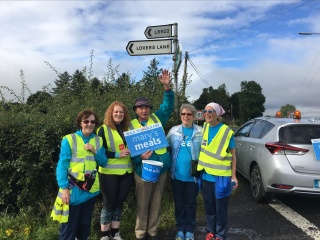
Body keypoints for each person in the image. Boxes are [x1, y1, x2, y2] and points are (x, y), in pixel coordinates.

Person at [129, 69, 174, 240]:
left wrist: (167, 87)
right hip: (142, 171)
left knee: (156, 202)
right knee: (142, 204)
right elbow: (128, 151)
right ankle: (140, 234)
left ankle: (152, 232)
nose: (144, 110)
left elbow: (168, 105)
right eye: (141, 107)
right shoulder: (131, 125)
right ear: (136, 110)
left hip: (161, 169)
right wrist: (138, 158)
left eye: (146, 107)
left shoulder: (157, 118)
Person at [51, 109, 108, 240]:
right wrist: (64, 188)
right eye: (86, 121)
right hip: (73, 189)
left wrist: (95, 151)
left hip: (90, 189)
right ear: (80, 123)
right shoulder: (69, 139)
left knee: (84, 224)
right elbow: (62, 166)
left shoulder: (99, 141)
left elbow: (104, 162)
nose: (89, 124)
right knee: (69, 225)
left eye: (92, 121)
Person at [197, 102, 238, 240]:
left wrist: (233, 176)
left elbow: (233, 156)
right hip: (206, 177)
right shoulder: (204, 127)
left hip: (221, 177)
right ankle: (211, 231)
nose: (206, 114)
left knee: (221, 209)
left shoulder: (227, 132)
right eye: (205, 111)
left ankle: (220, 234)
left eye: (210, 111)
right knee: (209, 208)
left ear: (217, 114)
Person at [97, 101, 133, 240]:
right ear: (111, 113)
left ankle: (115, 233)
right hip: (108, 173)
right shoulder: (103, 129)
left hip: (126, 172)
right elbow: (99, 152)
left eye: (121, 112)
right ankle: (104, 235)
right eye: (116, 112)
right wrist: (117, 154)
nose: (119, 114)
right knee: (109, 203)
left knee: (119, 203)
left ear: (125, 114)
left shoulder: (127, 129)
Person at [166, 104, 203, 240]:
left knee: (191, 204)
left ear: (193, 116)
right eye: (183, 114)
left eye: (188, 114)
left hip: (192, 178)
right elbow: (164, 146)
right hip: (176, 176)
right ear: (180, 116)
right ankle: (180, 229)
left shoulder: (200, 131)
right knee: (179, 204)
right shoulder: (173, 131)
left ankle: (190, 230)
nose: (186, 116)